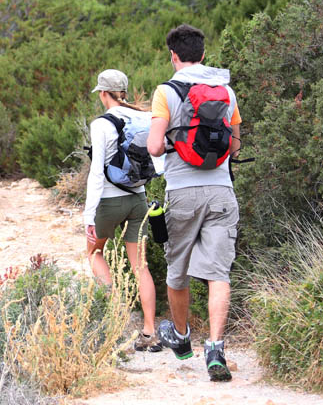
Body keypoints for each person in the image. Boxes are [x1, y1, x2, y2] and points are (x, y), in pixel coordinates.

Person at [147, 24, 242, 382]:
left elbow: (155, 146)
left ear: (173, 55)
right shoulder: (227, 92)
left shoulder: (164, 92)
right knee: (218, 274)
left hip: (182, 192)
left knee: (178, 270)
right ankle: (216, 349)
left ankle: (183, 337)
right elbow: (234, 146)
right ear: (203, 54)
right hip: (221, 191)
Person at [84, 69, 162, 353]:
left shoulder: (101, 124)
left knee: (94, 253)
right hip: (138, 199)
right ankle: (150, 332)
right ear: (124, 91)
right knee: (140, 265)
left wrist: (88, 216)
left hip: (108, 201)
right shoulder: (144, 117)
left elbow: (95, 174)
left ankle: (118, 315)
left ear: (104, 93)